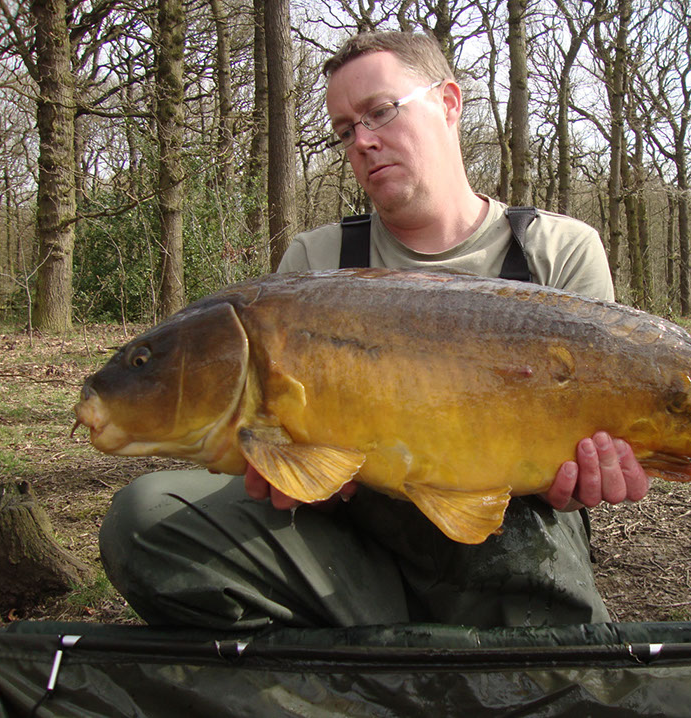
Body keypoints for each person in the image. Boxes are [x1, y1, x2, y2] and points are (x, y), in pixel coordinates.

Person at [99, 31, 649, 631]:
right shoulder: (317, 258)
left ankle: (442, 649)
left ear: (448, 102)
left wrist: (599, 470)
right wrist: (301, 476)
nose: (362, 140)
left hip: (513, 548)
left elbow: (598, 439)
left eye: (380, 111)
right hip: (349, 555)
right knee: (147, 518)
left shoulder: (558, 250)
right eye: (344, 129)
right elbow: (299, 467)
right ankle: (379, 651)